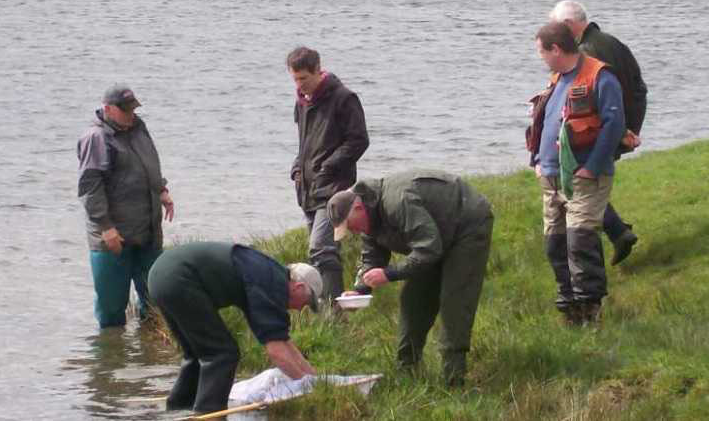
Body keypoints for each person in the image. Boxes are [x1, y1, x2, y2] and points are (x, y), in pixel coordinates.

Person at [328, 170, 494, 386]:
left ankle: (454, 383)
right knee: (412, 300)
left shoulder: (397, 202)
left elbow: (428, 249)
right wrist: (360, 290)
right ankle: (407, 374)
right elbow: (372, 258)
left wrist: (390, 274)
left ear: (358, 208)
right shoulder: (368, 219)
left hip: (467, 224)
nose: (352, 231)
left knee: (454, 303)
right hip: (433, 238)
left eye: (350, 225)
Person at [148, 242, 321, 413]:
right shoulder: (272, 284)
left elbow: (282, 339)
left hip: (159, 276)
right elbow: (276, 351)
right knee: (222, 354)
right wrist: (307, 388)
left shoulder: (268, 273)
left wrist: (313, 379)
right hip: (180, 280)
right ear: (298, 287)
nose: (300, 309)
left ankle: (178, 408)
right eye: (305, 303)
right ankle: (209, 414)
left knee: (195, 353)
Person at [528, 22, 625, 325]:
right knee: (555, 244)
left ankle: (590, 312)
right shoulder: (556, 79)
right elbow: (543, 121)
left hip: (583, 177)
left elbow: (614, 125)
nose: (541, 58)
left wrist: (591, 167)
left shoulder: (601, 77)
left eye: (542, 52)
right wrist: (537, 161)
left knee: (581, 241)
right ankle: (568, 308)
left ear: (556, 49)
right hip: (551, 176)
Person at [550, 0, 648, 264]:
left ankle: (614, 236)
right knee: (588, 184)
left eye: (557, 28)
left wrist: (621, 130)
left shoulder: (587, 53)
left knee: (578, 184)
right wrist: (631, 127)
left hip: (601, 131)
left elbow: (597, 98)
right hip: (615, 127)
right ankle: (618, 232)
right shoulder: (613, 42)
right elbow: (640, 89)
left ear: (569, 25)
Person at [76, 84, 175, 328]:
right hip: (113, 238)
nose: (131, 115)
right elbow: (90, 188)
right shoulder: (96, 138)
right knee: (111, 312)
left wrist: (161, 189)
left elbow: (150, 162)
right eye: (125, 110)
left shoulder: (138, 127)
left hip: (147, 231)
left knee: (156, 303)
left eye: (133, 108)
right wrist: (106, 227)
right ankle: (111, 360)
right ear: (107, 109)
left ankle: (150, 359)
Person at [287, 46, 369, 305]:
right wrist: (297, 167)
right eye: (295, 79)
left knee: (321, 248)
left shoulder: (344, 98)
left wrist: (329, 166)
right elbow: (305, 143)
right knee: (321, 254)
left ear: (318, 71)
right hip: (307, 188)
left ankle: (334, 309)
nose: (300, 85)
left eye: (304, 79)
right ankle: (327, 308)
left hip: (334, 188)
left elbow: (359, 140)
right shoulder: (302, 103)